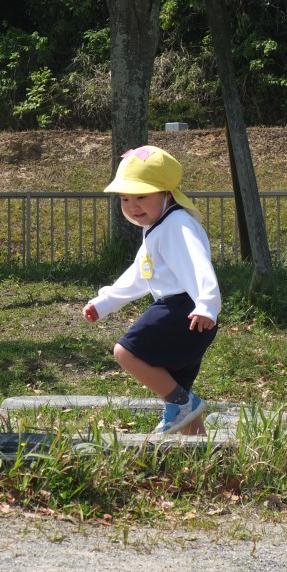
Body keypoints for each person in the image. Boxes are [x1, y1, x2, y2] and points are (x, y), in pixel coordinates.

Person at [83, 145, 220, 435]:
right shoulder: (158, 227)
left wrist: (207, 304)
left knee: (126, 352)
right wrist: (106, 302)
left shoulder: (177, 225)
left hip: (186, 311)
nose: (133, 206)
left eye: (142, 196)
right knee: (180, 396)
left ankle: (182, 404)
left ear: (167, 193)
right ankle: (204, 453)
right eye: (125, 199)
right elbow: (140, 274)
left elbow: (200, 265)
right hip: (190, 315)